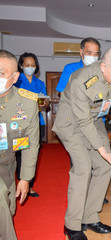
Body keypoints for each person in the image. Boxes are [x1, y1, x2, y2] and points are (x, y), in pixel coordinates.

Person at [52, 46, 111, 240]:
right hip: (72, 125)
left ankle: (90, 216)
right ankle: (72, 225)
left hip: (95, 122)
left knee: (105, 165)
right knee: (83, 168)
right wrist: (102, 150)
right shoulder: (82, 80)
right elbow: (83, 122)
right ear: (104, 66)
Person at [0, 50, 39, 240]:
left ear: (15, 77)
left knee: (8, 209)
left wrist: (25, 178)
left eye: (1, 73)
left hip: (7, 163)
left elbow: (30, 144)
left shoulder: (27, 103)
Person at [14, 52, 48, 197]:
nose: (30, 67)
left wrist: (45, 104)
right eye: (27, 65)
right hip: (20, 123)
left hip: (37, 122)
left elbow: (44, 104)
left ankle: (29, 185)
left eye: (32, 65)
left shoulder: (40, 83)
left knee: (33, 153)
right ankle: (19, 182)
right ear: (21, 66)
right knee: (20, 155)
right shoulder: (16, 81)